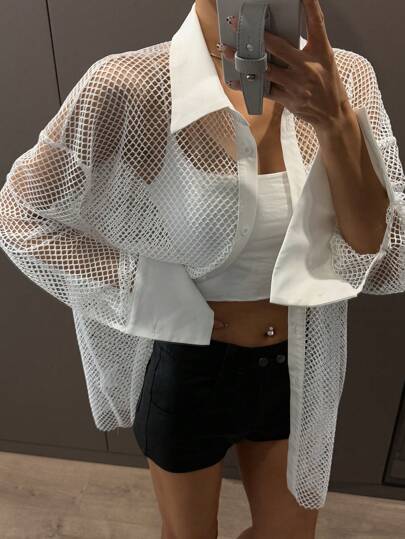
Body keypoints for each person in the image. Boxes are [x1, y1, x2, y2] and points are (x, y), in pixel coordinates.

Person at [1, 0, 404, 538]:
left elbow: (378, 248)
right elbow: (20, 215)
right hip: (190, 369)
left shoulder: (347, 78)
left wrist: (334, 120)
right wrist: (146, 291)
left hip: (296, 367)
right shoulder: (131, 85)